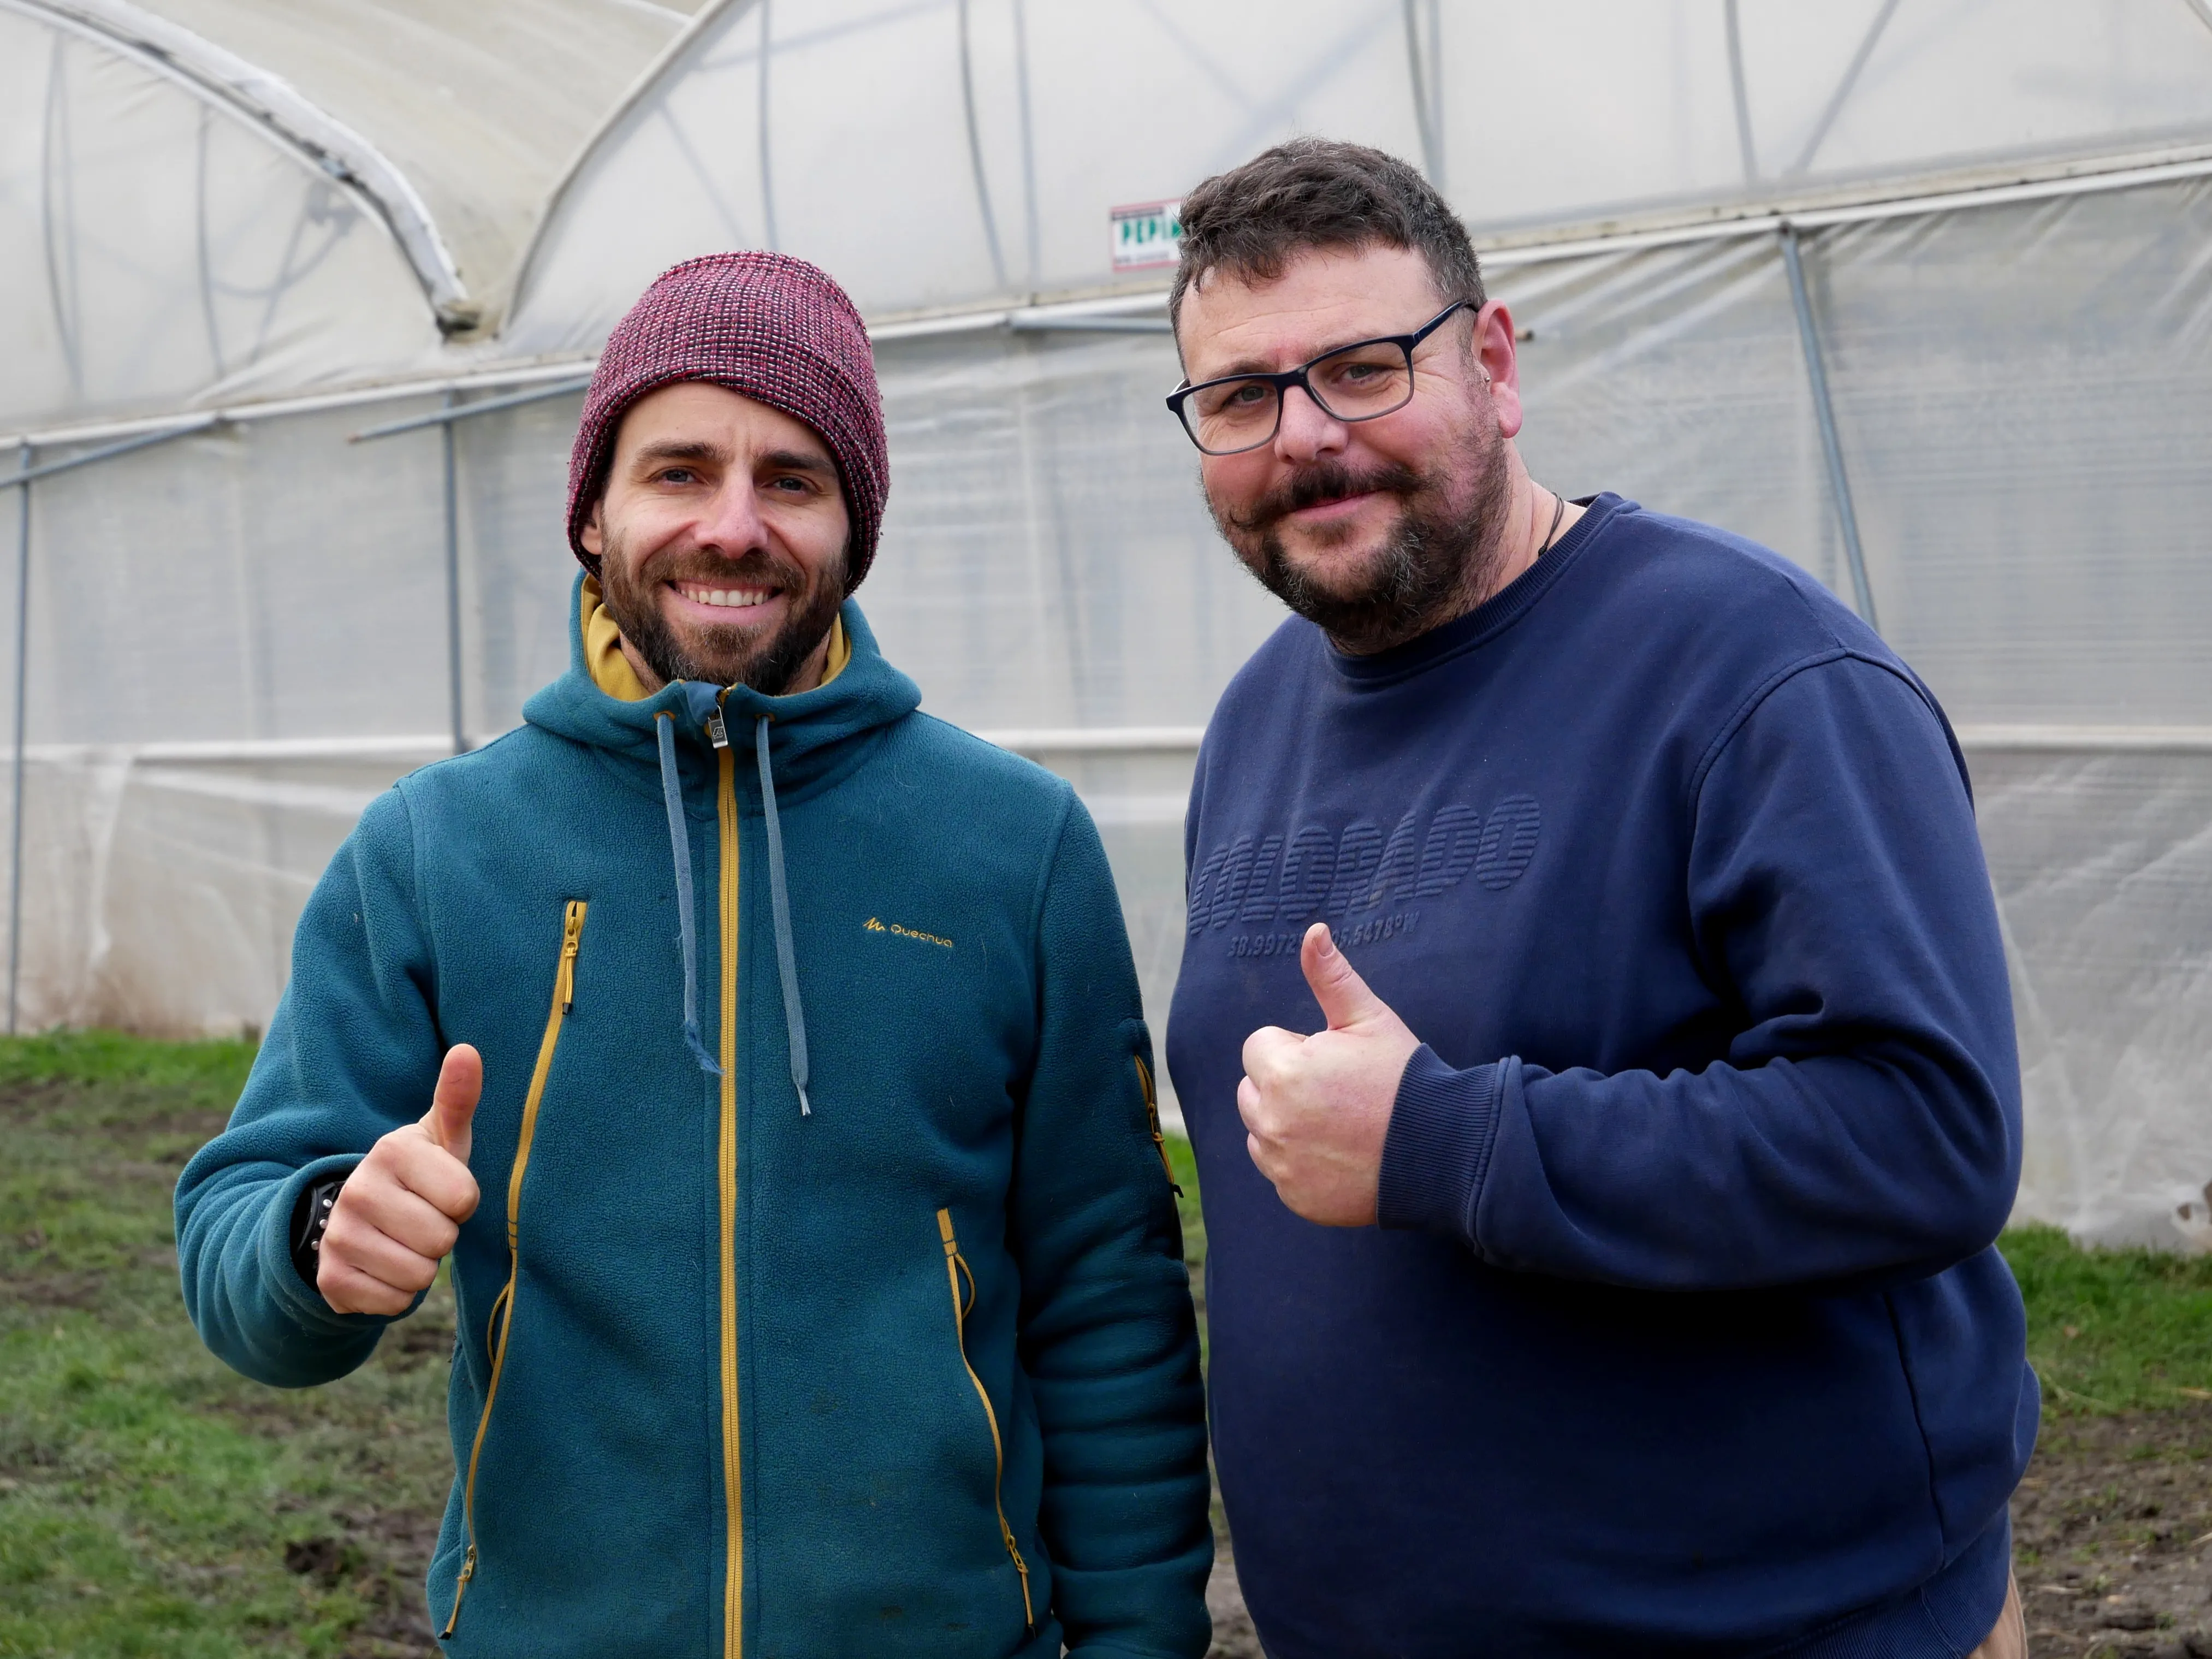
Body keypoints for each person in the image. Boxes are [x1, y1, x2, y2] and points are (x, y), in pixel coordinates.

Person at [175, 251, 1211, 1659]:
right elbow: (234, 1227)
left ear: (857, 526)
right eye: (677, 471)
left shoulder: (1012, 847)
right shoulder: (434, 850)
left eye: (792, 478)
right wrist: (317, 1238)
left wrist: (1142, 1640)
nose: (733, 526)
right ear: (593, 514)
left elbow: (1108, 1291)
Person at [1163, 140, 2034, 1658]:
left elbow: (1929, 1130)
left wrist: (1447, 1136)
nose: (1305, 437)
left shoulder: (1756, 675)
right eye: (1240, 396)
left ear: (1492, 363)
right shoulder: (1254, 722)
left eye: (1364, 368)